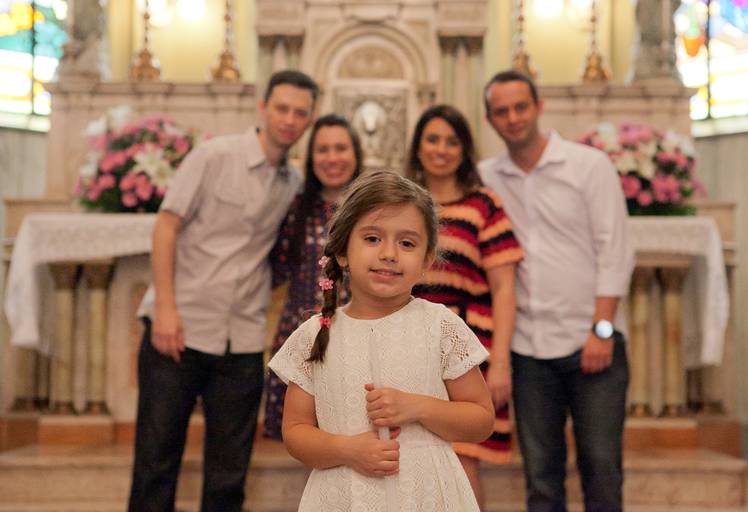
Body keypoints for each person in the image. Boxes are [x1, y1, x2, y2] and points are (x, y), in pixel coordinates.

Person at [128, 69, 318, 512]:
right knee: (155, 464)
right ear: (263, 107)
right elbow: (166, 226)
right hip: (181, 327)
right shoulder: (214, 156)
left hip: (243, 338)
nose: (290, 119)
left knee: (230, 475)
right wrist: (166, 310)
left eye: (300, 113)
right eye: (282, 108)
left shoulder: (291, 184)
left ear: (309, 119)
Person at [268, 171, 495, 511]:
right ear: (342, 251)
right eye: (372, 239)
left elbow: (480, 419)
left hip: (426, 495)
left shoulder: (440, 326)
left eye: (407, 243)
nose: (389, 253)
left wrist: (417, 407)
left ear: (426, 260)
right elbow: (296, 431)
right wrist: (347, 450)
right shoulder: (315, 335)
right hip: (344, 495)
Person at [479, 70, 634, 512]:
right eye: (501, 111)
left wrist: (601, 329)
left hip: (591, 342)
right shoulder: (486, 177)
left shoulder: (588, 165)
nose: (512, 118)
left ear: (538, 106)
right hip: (528, 349)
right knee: (541, 477)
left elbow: (615, 250)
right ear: (490, 119)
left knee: (601, 468)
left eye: (520, 107)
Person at [406, 104, 523, 509]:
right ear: (418, 147)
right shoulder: (404, 203)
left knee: (462, 461)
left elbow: (505, 287)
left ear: (465, 149)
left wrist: (502, 362)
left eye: (452, 141)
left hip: (466, 347)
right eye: (432, 139)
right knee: (406, 455)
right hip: (406, 342)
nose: (441, 149)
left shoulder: (484, 205)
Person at [264, 113, 363, 440]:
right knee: (306, 438)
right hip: (305, 338)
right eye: (323, 150)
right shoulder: (296, 208)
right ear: (311, 158)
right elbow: (276, 268)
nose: (332, 158)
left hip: (360, 339)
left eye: (340, 148)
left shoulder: (373, 208)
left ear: (355, 153)